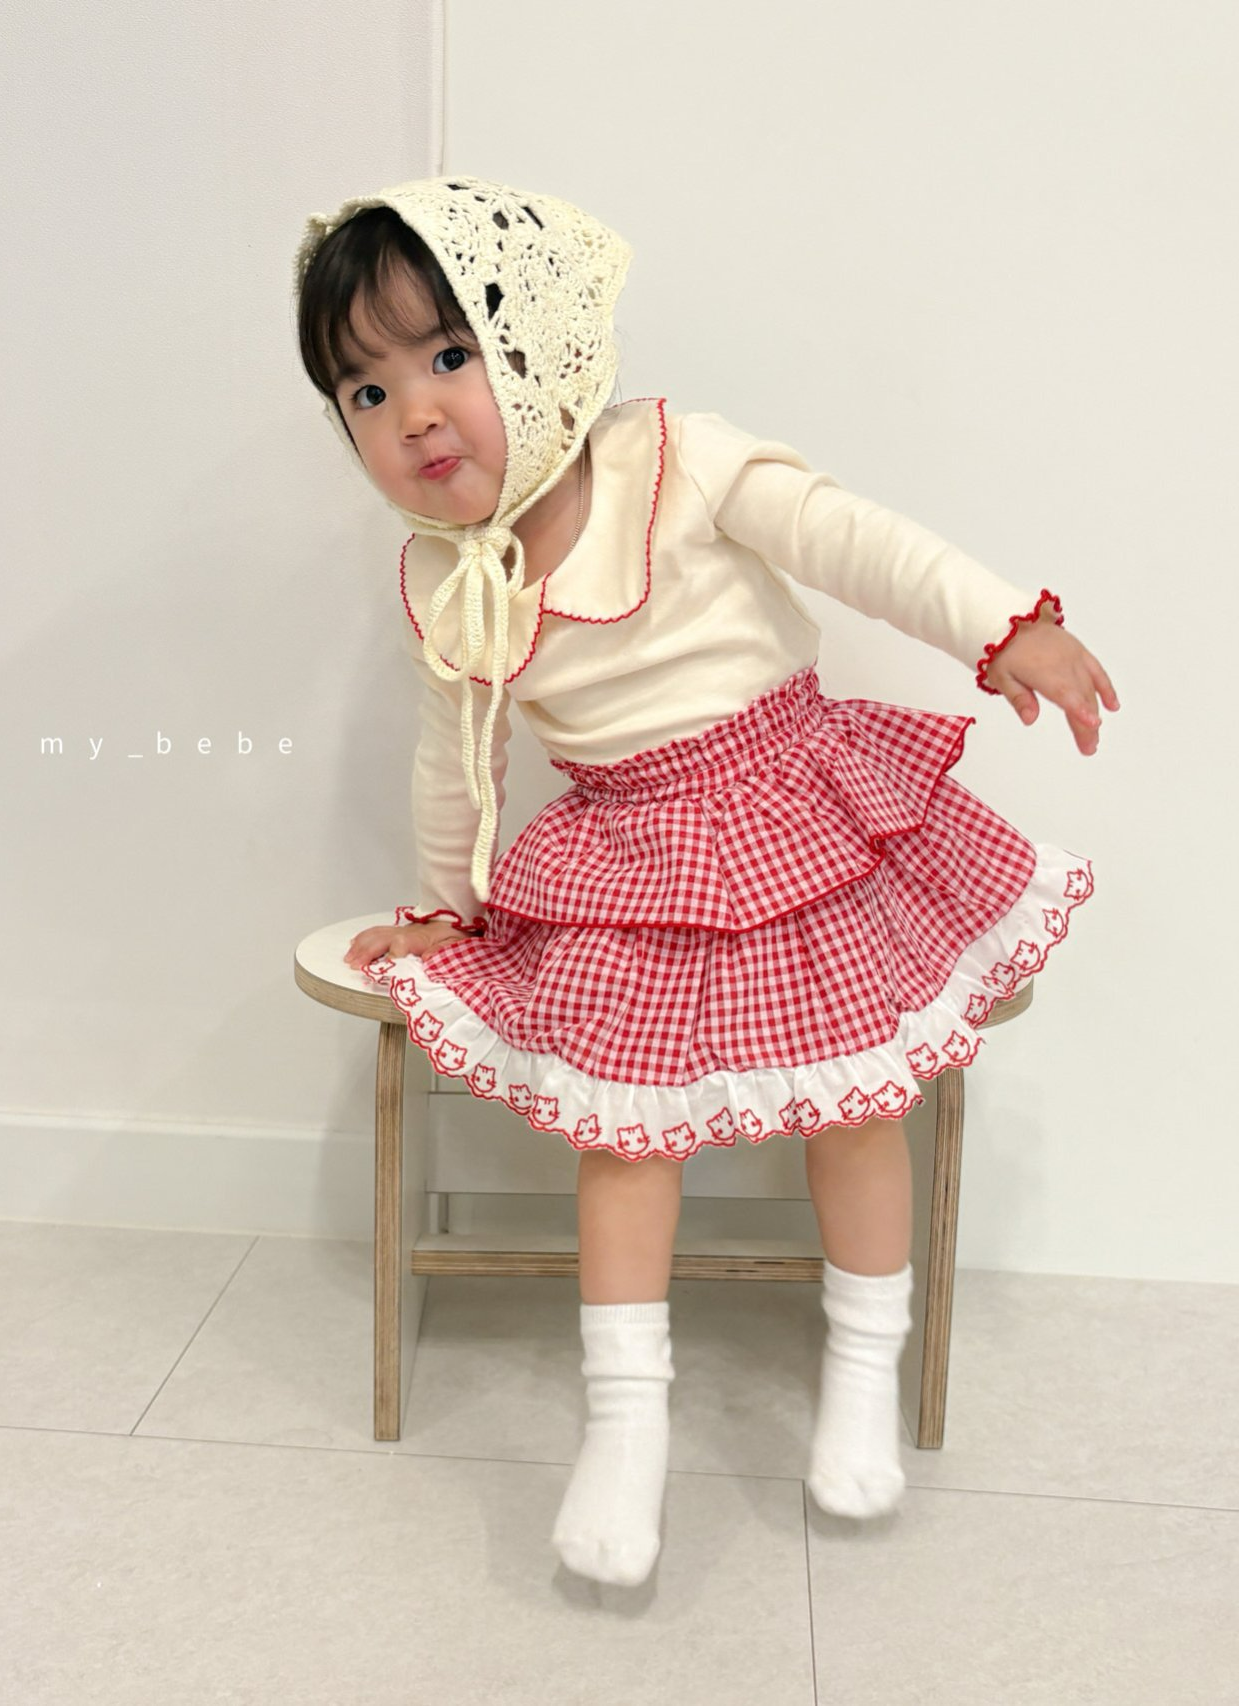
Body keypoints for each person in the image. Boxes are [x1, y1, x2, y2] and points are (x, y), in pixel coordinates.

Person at [291, 175, 1118, 1589]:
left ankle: (863, 1361)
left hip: (800, 814)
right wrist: (444, 905)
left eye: (449, 356)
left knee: (859, 1110)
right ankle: (627, 1419)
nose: (414, 413)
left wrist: (1002, 628)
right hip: (629, 857)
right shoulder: (451, 574)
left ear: (541, 345)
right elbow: (459, 754)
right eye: (366, 393)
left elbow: (860, 541)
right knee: (624, 1141)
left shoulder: (676, 458)